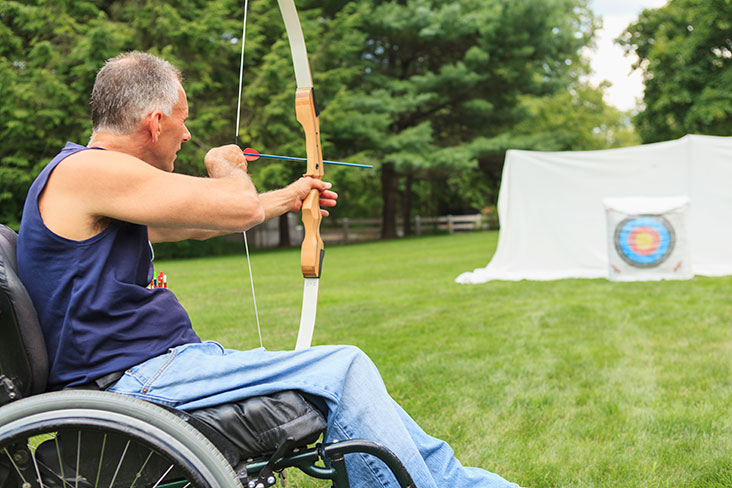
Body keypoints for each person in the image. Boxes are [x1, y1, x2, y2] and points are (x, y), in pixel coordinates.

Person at [16, 52, 520, 488]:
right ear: (154, 122)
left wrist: (287, 198)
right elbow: (234, 207)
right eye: (182, 121)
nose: (187, 135)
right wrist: (225, 166)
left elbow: (195, 224)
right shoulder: (88, 169)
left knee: (356, 385)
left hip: (157, 370)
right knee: (343, 367)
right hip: (135, 381)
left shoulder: (96, 181)